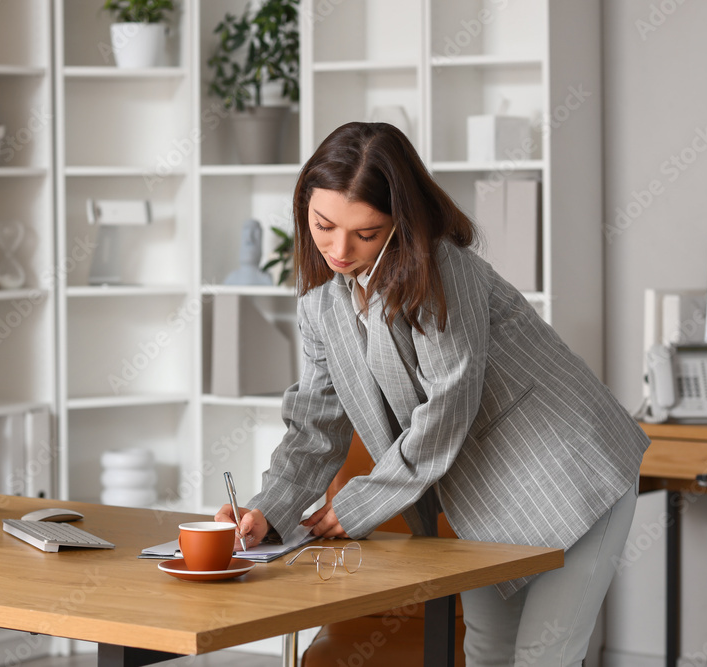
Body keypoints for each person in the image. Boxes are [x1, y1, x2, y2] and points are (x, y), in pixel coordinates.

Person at [215, 122, 650, 666]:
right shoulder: (322, 305)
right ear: (305, 204)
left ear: (401, 222)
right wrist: (266, 511)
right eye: (323, 225)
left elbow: (449, 402)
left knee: (545, 655)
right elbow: (316, 425)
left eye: (365, 233)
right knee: (487, 648)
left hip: (574, 468)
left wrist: (360, 504)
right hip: (486, 495)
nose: (339, 248)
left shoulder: (443, 268)